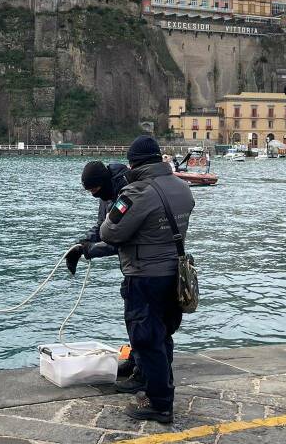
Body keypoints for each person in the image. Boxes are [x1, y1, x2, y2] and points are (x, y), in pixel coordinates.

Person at [99, 135, 195, 424]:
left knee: (145, 339)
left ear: (135, 163)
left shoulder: (136, 193)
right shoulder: (182, 187)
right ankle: (164, 390)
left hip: (144, 276)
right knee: (163, 336)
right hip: (173, 275)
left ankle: (160, 404)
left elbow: (109, 232)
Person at [64, 161, 144, 390]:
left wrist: (90, 250)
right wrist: (82, 244)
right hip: (130, 266)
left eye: (94, 191)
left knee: (141, 319)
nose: (93, 195)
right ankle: (136, 359)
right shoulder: (106, 196)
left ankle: (144, 374)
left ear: (104, 183)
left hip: (141, 264)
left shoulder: (129, 194)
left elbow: (119, 238)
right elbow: (102, 227)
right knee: (132, 315)